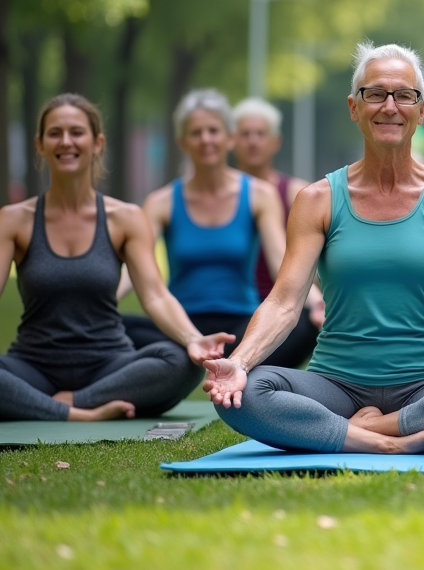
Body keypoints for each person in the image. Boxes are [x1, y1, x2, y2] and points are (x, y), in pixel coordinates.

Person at [204, 43, 424, 455]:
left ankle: (360, 430)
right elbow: (284, 303)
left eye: (404, 95)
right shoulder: (318, 200)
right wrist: (237, 365)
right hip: (335, 384)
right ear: (354, 106)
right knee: (248, 392)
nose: (389, 106)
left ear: (422, 111)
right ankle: (380, 442)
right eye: (375, 93)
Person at [0, 94, 231, 421]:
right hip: (34, 364)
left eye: (77, 132)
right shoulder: (13, 220)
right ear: (40, 144)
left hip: (108, 365)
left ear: (97, 143)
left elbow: (154, 294)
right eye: (55, 133)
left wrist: (194, 340)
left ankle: (66, 401)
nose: (66, 141)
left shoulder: (125, 218)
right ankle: (78, 413)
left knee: (182, 361)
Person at [122, 89, 322, 368]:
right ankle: (193, 358)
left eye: (213, 131)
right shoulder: (160, 202)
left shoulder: (259, 195)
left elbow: (280, 260)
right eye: (196, 132)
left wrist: (315, 301)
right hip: (180, 329)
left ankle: (238, 363)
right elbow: (135, 267)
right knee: (114, 327)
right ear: (182, 141)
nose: (206, 139)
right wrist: (99, 302)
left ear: (230, 138)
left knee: (305, 324)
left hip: (241, 327)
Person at [232, 97, 322, 349]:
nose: (253, 141)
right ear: (232, 140)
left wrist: (317, 301)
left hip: (284, 302)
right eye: (245, 134)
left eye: (261, 134)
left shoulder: (297, 193)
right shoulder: (221, 196)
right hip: (235, 308)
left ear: (276, 142)